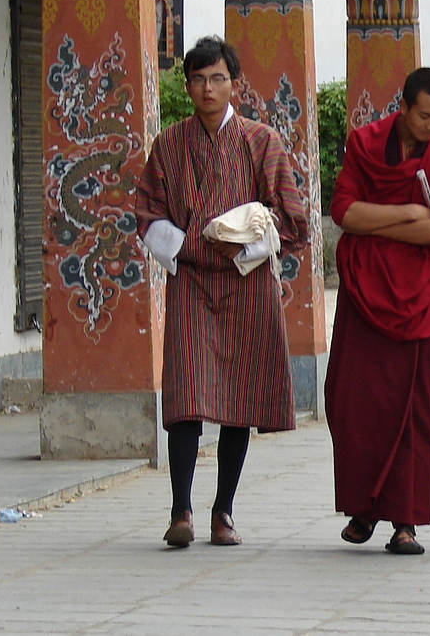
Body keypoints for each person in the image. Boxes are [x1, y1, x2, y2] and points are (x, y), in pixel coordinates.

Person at [135, 36, 310, 548]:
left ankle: (223, 510)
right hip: (190, 277)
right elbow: (147, 212)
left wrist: (246, 233)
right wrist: (188, 243)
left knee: (240, 392)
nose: (207, 88)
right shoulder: (168, 144)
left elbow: (292, 217)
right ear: (186, 85)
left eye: (217, 78)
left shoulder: (262, 141)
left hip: (246, 280)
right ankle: (180, 510)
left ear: (234, 84)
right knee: (186, 392)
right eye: (197, 79)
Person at [325, 67, 430, 555]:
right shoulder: (364, 144)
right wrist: (407, 214)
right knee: (355, 402)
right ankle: (363, 509)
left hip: (418, 296)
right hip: (364, 290)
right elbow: (344, 213)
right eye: (425, 115)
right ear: (403, 107)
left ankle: (405, 521)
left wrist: (374, 225)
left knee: (413, 410)